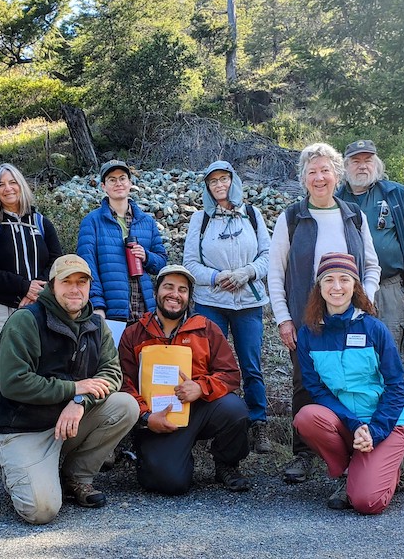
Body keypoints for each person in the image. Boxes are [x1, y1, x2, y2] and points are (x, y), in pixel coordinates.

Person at [0, 254, 139, 524]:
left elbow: (112, 373)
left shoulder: (96, 324)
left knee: (125, 405)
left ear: (90, 286)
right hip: (22, 428)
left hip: (67, 422)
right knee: (41, 511)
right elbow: (13, 382)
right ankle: (21, 470)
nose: (75, 288)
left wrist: (79, 400)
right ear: (51, 286)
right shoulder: (26, 321)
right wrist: (72, 388)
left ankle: (76, 478)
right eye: (66, 281)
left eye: (82, 281)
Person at [269, 142, 381, 484]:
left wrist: (367, 299)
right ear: (303, 179)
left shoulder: (354, 215)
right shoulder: (291, 218)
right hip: (307, 319)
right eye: (312, 172)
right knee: (305, 383)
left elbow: (372, 266)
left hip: (352, 319)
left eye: (325, 171)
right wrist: (283, 318)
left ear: (338, 175)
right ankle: (303, 455)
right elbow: (276, 272)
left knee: (353, 380)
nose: (319, 178)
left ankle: (355, 447)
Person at [118, 265, 251, 495]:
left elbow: (230, 375)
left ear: (189, 297)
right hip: (157, 417)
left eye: (182, 290)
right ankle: (172, 458)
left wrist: (201, 387)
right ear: (156, 292)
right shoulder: (134, 334)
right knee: (169, 483)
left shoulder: (206, 329)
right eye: (168, 287)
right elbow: (124, 384)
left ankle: (225, 464)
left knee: (236, 409)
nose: (175, 294)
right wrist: (147, 418)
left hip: (200, 410)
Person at [293, 253, 404, 514]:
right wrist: (355, 425)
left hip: (385, 423)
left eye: (344, 279)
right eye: (329, 280)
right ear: (319, 288)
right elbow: (316, 390)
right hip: (345, 422)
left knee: (367, 503)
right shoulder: (308, 334)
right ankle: (349, 471)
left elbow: (396, 386)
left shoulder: (374, 328)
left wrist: (374, 430)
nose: (337, 287)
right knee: (307, 417)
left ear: (354, 286)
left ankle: (390, 469)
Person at [182, 161, 271, 453]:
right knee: (209, 364)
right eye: (213, 182)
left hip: (248, 302)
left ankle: (258, 424)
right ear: (207, 187)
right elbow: (190, 265)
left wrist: (247, 273)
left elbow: (268, 256)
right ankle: (210, 422)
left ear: (234, 181)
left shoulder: (253, 215)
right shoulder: (200, 220)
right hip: (212, 303)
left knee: (251, 364)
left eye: (224, 179)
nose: (219, 185)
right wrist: (217, 277)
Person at [0, 163, 62, 379]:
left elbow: (56, 262)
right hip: (0, 308)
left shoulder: (41, 223)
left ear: (21, 185)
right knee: (3, 363)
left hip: (40, 306)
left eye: (13, 182)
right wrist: (24, 287)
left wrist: (36, 291)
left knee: (39, 360)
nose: (8, 188)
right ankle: (2, 412)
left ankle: (36, 412)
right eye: (1, 184)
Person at [336, 140, 404, 352]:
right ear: (345, 166)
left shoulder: (394, 195)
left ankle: (392, 386)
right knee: (353, 346)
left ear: (377, 164)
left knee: (389, 344)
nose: (363, 166)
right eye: (356, 161)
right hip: (347, 289)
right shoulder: (335, 200)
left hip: (388, 286)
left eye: (368, 160)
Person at [77, 160, 167, 323]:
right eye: (112, 179)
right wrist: (97, 305)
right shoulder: (91, 222)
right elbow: (87, 268)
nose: (118, 183)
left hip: (145, 311)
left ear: (130, 183)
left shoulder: (147, 221)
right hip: (111, 312)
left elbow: (162, 263)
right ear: (103, 186)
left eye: (122, 178)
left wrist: (146, 257)